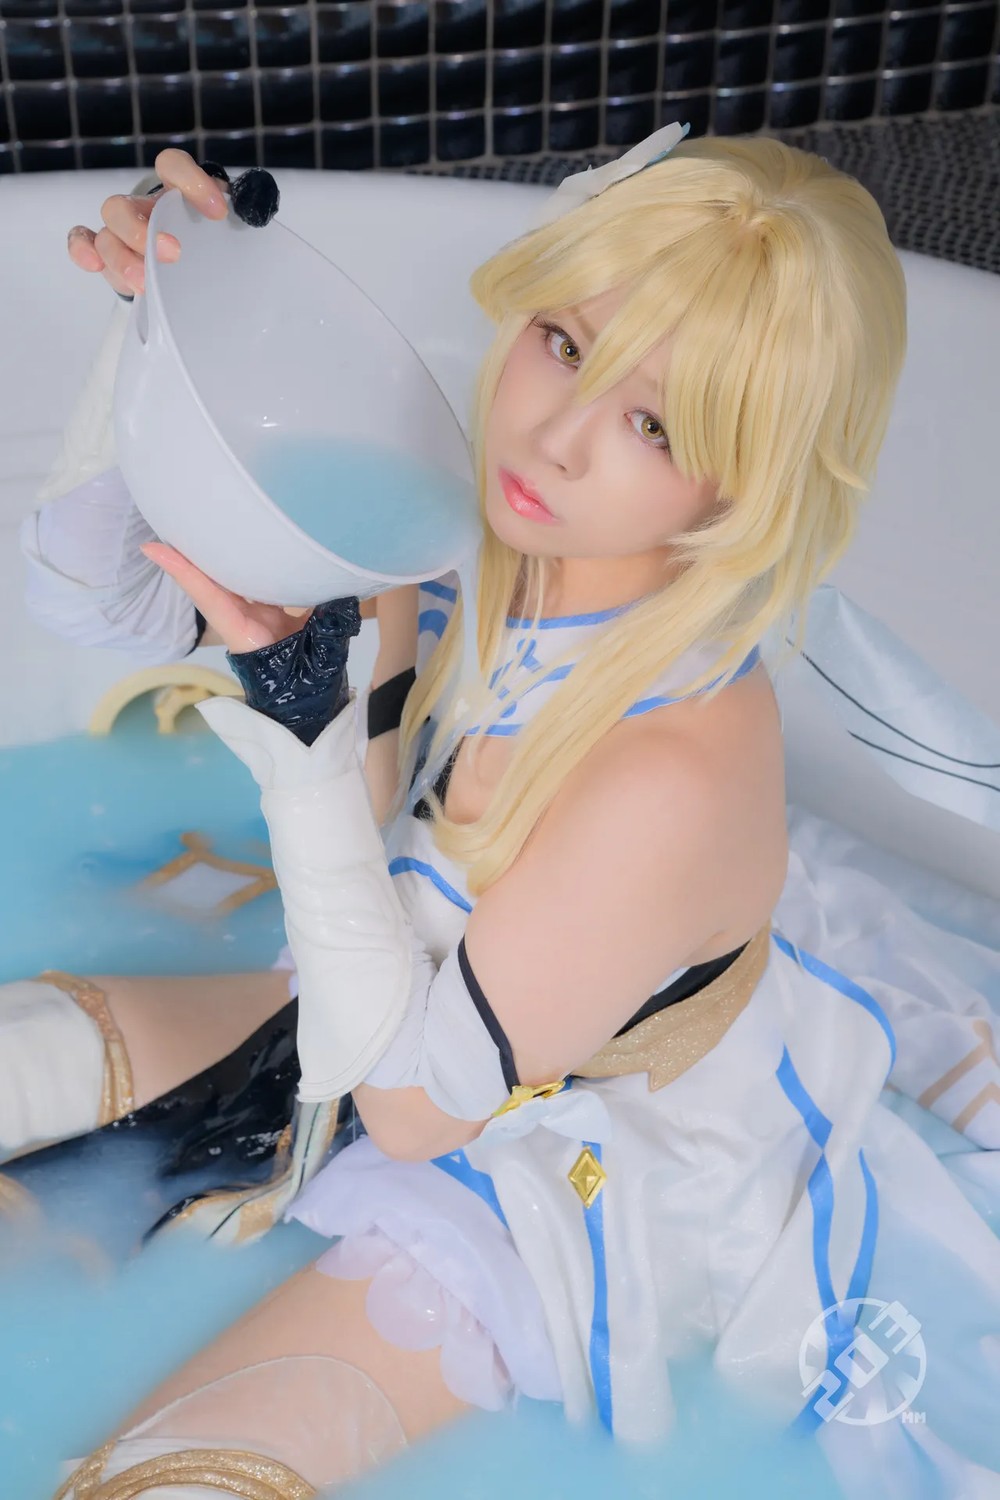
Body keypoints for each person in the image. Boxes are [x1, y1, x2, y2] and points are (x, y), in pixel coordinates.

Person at [8, 136, 1000, 1497]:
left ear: (743, 485)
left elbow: (416, 1112)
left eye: (656, 427)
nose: (555, 436)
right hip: (379, 996)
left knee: (164, 1485)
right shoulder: (460, 515)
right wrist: (159, 341)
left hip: (572, 1169)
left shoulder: (673, 772)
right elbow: (101, 602)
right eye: (563, 342)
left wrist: (305, 739)